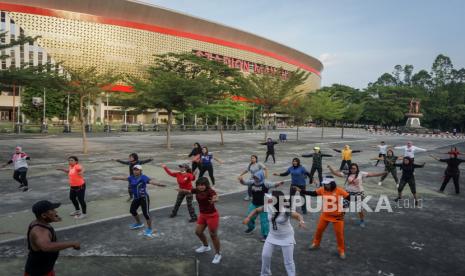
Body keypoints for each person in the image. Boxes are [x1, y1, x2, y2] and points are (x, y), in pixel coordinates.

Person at [243, 190, 305, 276]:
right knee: (265, 256)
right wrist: (248, 218)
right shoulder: (268, 206)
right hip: (272, 236)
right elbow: (256, 210)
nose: (269, 199)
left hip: (286, 237)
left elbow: (297, 215)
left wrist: (301, 221)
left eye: (271, 198)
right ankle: (265, 273)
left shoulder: (285, 209)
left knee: (288, 261)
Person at [294, 176, 350, 259]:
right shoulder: (322, 189)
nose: (325, 185)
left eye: (327, 184)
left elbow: (349, 198)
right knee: (319, 230)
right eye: (325, 184)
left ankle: (341, 250)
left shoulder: (339, 190)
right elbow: (313, 193)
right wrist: (301, 190)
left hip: (338, 216)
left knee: (339, 234)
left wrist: (345, 208)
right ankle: (316, 244)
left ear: (332, 183)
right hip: (325, 215)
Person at [25, 200, 80, 276]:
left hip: (46, 268)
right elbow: (46, 247)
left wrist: (52, 218)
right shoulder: (40, 231)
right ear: (44, 215)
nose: (56, 212)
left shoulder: (39, 222)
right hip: (38, 272)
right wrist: (72, 243)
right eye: (52, 210)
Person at [112, 165, 166, 238]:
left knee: (146, 214)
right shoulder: (131, 177)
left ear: (140, 171)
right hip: (136, 198)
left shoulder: (143, 177)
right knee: (132, 211)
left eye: (137, 170)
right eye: (134, 169)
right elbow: (124, 178)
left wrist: (159, 184)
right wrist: (116, 178)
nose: (135, 171)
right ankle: (139, 223)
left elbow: (150, 181)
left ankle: (150, 229)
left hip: (144, 198)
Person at [178, 177, 222, 264]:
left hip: (212, 216)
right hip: (203, 215)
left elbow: (216, 197)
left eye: (203, 185)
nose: (201, 187)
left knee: (213, 235)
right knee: (198, 232)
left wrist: (214, 200)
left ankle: (218, 254)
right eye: (199, 185)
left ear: (206, 185)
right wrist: (181, 190)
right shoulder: (197, 190)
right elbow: (190, 191)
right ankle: (206, 246)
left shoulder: (210, 191)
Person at [239, 171, 284, 241]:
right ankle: (251, 228)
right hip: (254, 204)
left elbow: (273, 184)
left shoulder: (265, 183)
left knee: (264, 221)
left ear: (260, 177)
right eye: (254, 177)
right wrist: (241, 179)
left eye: (256, 177)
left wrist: (279, 183)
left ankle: (266, 235)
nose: (255, 178)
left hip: (264, 205)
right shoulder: (252, 182)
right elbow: (244, 182)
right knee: (249, 217)